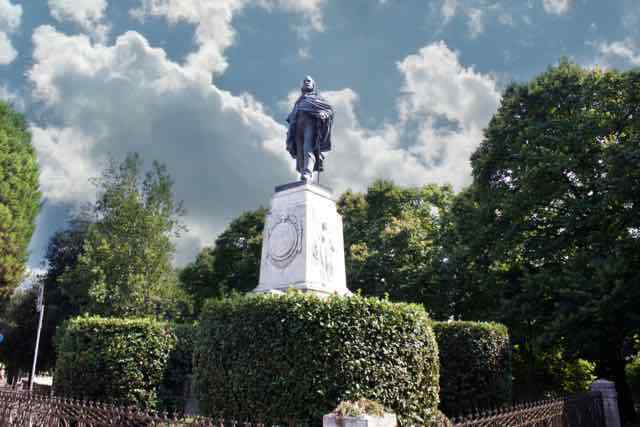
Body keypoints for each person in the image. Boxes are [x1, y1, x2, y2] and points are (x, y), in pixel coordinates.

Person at [286, 76, 334, 182]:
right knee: (300, 151)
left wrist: (324, 113)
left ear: (313, 86)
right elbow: (292, 115)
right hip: (297, 126)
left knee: (308, 147)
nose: (307, 82)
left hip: (310, 124)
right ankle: (303, 171)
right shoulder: (298, 101)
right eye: (304, 81)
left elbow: (329, 110)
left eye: (309, 81)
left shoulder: (317, 99)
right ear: (301, 86)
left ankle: (307, 173)